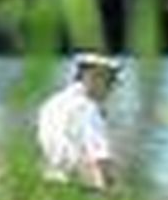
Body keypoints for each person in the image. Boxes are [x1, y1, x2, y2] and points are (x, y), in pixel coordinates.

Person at [36, 53, 121, 190]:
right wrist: (113, 191)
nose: (111, 89)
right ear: (93, 77)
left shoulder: (51, 103)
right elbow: (100, 158)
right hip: (74, 188)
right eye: (110, 81)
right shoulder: (87, 108)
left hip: (50, 180)